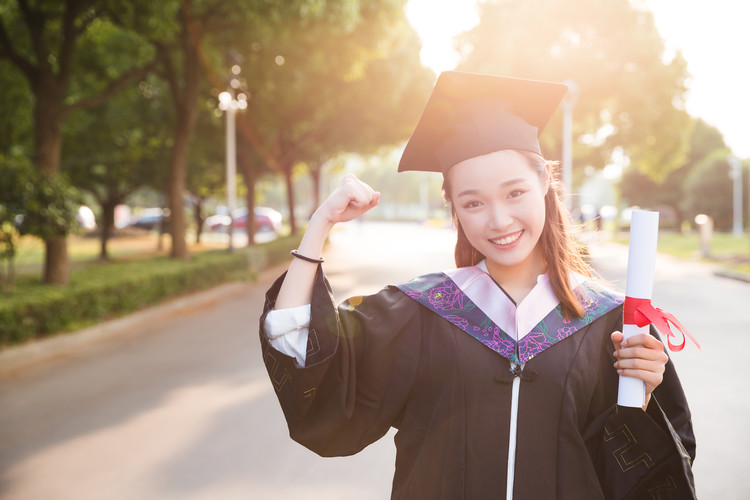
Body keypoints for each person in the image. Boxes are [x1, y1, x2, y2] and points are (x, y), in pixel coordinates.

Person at [258, 72, 696, 499]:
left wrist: (642, 396)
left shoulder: (609, 322)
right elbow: (308, 365)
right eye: (473, 202)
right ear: (454, 207)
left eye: (514, 193)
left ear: (544, 181)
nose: (499, 221)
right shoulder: (419, 311)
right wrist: (320, 225)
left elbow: (650, 473)